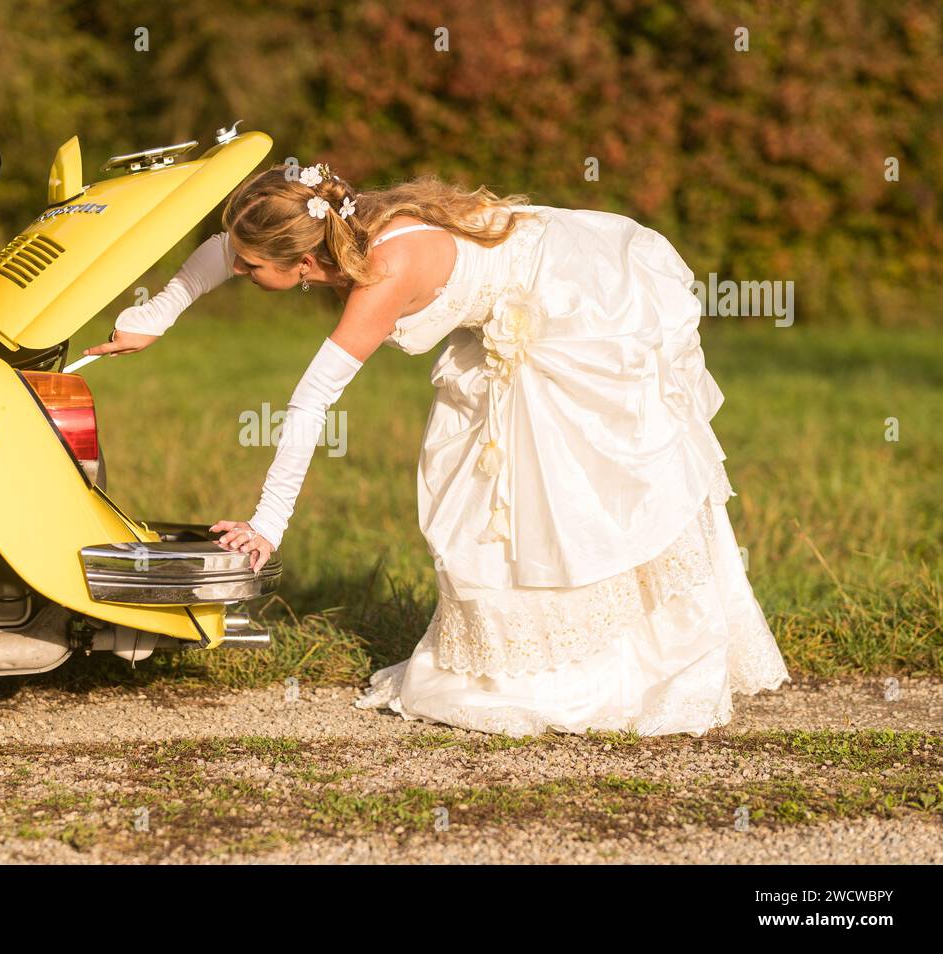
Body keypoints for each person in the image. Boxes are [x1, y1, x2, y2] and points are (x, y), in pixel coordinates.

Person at [81, 161, 790, 737]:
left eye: (250, 267)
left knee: (574, 489)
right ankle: (507, 654)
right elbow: (220, 252)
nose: (235, 271)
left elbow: (309, 403)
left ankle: (612, 665)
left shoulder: (383, 277)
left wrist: (268, 522)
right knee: (474, 485)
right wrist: (154, 317)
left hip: (577, 307)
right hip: (516, 302)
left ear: (298, 261)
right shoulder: (317, 228)